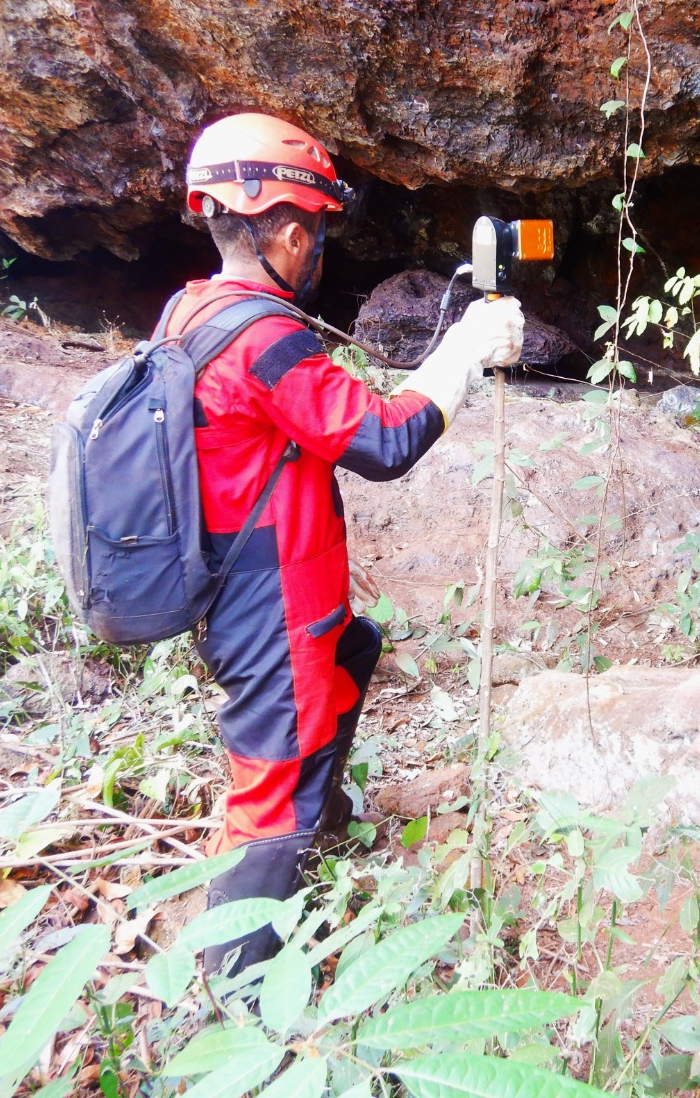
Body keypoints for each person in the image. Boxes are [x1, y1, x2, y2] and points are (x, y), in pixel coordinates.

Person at [165, 112, 523, 972]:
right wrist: (466, 350)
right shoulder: (261, 334)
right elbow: (383, 440)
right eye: (317, 230)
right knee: (269, 790)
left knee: (353, 651)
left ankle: (316, 846)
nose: (319, 247)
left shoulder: (194, 308)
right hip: (267, 603)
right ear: (289, 233)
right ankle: (234, 989)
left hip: (259, 588)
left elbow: (301, 421)